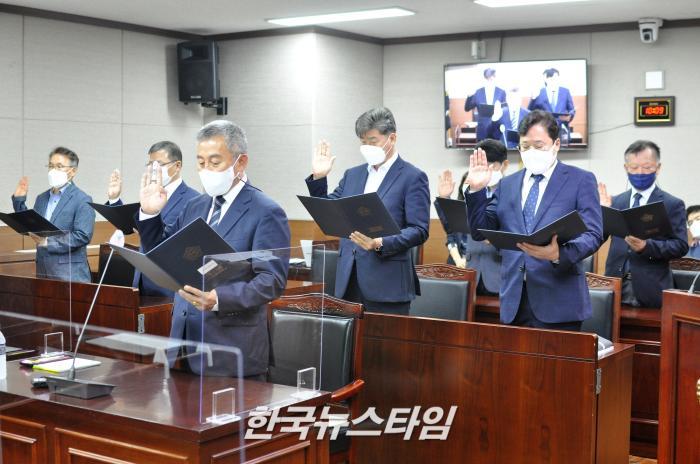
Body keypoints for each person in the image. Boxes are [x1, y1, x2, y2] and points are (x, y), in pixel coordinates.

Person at [137, 120, 290, 378]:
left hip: (231, 346)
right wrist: (150, 214)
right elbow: (163, 253)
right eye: (200, 162)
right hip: (184, 341)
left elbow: (271, 280)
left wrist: (219, 299)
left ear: (240, 162)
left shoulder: (266, 211)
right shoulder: (195, 205)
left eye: (215, 162)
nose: (206, 170)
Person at [465, 110, 602, 330]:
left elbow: (593, 234)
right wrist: (477, 190)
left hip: (559, 302)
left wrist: (559, 254)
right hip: (514, 300)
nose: (531, 152)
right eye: (525, 146)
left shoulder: (580, 180)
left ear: (556, 144)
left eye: (538, 145)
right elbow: (481, 231)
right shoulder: (507, 184)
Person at [305, 107, 430, 315]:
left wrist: (380, 242)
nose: (367, 147)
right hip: (348, 278)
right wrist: (319, 177)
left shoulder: (412, 177)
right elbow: (327, 212)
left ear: (392, 138)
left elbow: (419, 230)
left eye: (373, 141)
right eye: (363, 142)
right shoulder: (352, 175)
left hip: (387, 282)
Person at [599, 140, 688, 308]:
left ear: (658, 168)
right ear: (626, 168)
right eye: (634, 167)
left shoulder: (672, 204)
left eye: (647, 167)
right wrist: (601, 212)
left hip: (651, 288)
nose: (640, 172)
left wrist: (646, 247)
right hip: (613, 286)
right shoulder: (616, 201)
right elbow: (597, 238)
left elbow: (680, 246)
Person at [107, 141, 199, 297]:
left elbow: (187, 246)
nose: (153, 170)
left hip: (170, 283)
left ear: (177, 166)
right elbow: (131, 225)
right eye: (150, 165)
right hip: (142, 278)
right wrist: (114, 199)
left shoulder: (194, 200)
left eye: (158, 165)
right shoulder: (149, 194)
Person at [435, 138, 509, 296]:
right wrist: (444, 199)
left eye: (491, 165)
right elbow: (453, 228)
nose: (486, 170)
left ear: (505, 165)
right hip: (469, 269)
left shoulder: (513, 192)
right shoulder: (471, 192)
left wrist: (497, 239)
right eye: (480, 164)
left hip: (498, 273)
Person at [11, 147, 95, 283]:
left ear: (73, 171)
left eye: (59, 166)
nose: (53, 170)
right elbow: (32, 227)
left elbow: (82, 235)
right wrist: (19, 200)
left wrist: (48, 242)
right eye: (51, 166)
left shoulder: (82, 199)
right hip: (43, 271)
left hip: (70, 276)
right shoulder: (42, 198)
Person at [528, 68, 575, 143]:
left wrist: (569, 117)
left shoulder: (565, 92)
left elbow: (572, 110)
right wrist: (533, 99)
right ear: (546, 79)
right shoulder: (539, 92)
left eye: (557, 79)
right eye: (552, 79)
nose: (555, 81)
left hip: (561, 131)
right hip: (543, 130)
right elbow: (530, 112)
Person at [464, 68, 507, 143]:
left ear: (495, 78)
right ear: (484, 79)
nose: (490, 80)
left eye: (492, 78)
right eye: (488, 78)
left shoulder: (501, 92)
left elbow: (505, 110)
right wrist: (469, 96)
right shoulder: (478, 92)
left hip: (497, 130)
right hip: (482, 131)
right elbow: (467, 108)